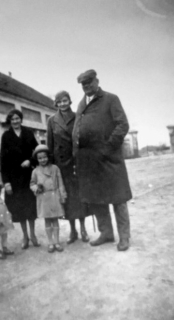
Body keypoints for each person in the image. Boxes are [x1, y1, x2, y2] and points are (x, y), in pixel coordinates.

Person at [73, 70, 132, 251]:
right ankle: (106, 233)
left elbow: (123, 125)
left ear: (97, 81)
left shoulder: (111, 99)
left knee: (118, 198)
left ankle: (124, 237)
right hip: (89, 162)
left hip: (109, 160)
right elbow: (77, 130)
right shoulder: (81, 104)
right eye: (84, 84)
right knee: (97, 199)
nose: (87, 87)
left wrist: (107, 149)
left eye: (90, 83)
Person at [47, 91, 90, 244]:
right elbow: (50, 146)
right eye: (59, 101)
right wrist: (51, 168)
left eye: (65, 100)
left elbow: (83, 139)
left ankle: (83, 229)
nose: (63, 104)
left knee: (80, 198)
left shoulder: (78, 116)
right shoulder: (52, 121)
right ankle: (73, 231)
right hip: (62, 166)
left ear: (70, 101)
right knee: (68, 199)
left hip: (76, 163)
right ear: (56, 104)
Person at [0, 109, 39, 249]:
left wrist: (30, 160)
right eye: (12, 119)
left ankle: (33, 235)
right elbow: (3, 160)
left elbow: (38, 150)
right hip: (14, 178)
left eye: (17, 118)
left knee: (31, 207)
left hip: (28, 177)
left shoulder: (28, 133)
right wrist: (6, 182)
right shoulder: (6, 136)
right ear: (9, 121)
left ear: (21, 119)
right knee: (20, 208)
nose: (15, 121)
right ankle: (25, 237)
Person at [30, 144, 67, 253]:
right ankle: (50, 243)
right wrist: (36, 187)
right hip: (43, 198)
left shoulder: (55, 168)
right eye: (40, 158)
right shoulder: (35, 171)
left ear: (49, 156)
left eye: (45, 157)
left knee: (55, 220)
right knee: (47, 221)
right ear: (37, 159)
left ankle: (57, 242)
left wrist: (62, 195)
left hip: (54, 196)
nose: (43, 160)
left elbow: (60, 183)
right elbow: (32, 183)